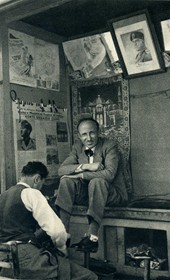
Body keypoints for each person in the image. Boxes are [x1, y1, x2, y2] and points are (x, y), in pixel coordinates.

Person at [0, 161, 98, 280]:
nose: (41, 187)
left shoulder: (3, 195)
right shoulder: (32, 193)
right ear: (37, 179)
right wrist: (62, 248)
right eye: (42, 183)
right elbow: (57, 231)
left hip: (4, 258)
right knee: (89, 276)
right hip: (25, 259)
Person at [55, 117, 128, 253]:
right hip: (90, 195)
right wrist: (87, 166)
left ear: (98, 132)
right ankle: (63, 234)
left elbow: (110, 174)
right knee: (66, 181)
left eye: (92, 133)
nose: (88, 138)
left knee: (97, 181)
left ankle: (92, 236)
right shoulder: (77, 148)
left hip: (112, 194)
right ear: (79, 136)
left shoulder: (109, 145)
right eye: (84, 134)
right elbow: (61, 170)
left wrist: (81, 175)